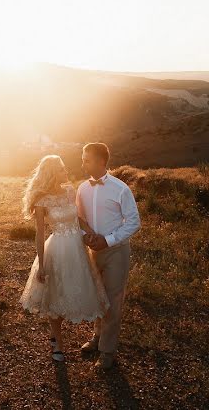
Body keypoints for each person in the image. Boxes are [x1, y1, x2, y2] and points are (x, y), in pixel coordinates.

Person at [19, 155, 110, 362]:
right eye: (60, 169)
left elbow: (77, 218)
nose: (65, 171)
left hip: (77, 249)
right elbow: (40, 234)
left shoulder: (70, 190)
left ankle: (63, 336)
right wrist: (42, 265)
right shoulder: (42, 201)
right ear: (51, 173)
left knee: (76, 289)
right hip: (58, 248)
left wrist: (90, 231)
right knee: (55, 295)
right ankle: (58, 343)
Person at [76, 142, 141, 370]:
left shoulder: (121, 188)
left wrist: (108, 240)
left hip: (116, 252)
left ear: (101, 161)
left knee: (113, 301)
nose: (82, 163)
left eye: (86, 159)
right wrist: (86, 236)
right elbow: (80, 219)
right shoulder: (82, 188)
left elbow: (134, 222)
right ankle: (97, 337)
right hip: (93, 251)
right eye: (83, 159)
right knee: (98, 297)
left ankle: (107, 351)